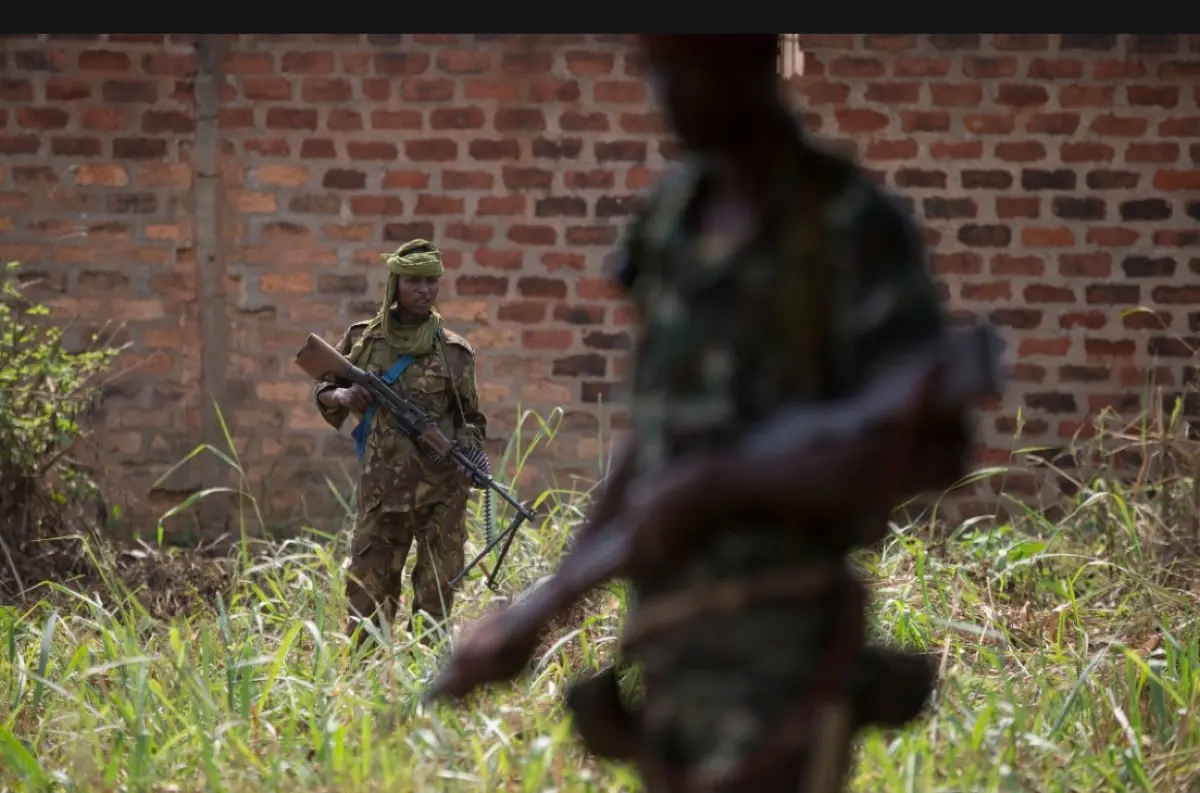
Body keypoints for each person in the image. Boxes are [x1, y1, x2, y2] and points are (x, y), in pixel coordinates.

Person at [429, 34, 981, 793]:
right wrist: (536, 610)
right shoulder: (673, 220)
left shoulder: (845, 225)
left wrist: (730, 482)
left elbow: (933, 445)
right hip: (667, 655)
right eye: (659, 68)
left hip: (782, 650)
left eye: (693, 67)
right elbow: (656, 452)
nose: (670, 94)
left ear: (751, 59)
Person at [312, 239, 487, 646]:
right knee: (366, 597)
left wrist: (466, 451)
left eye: (432, 282)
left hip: (440, 493)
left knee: (435, 597)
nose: (424, 291)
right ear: (395, 285)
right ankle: (363, 689)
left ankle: (425, 686)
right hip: (382, 490)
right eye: (413, 282)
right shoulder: (364, 341)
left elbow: (471, 419)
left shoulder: (454, 352)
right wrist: (343, 396)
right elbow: (323, 384)